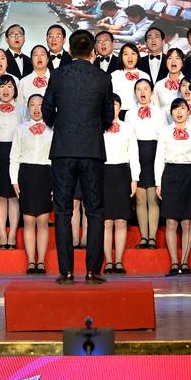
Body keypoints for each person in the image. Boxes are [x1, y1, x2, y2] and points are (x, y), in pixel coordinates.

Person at [42, 30, 115, 284]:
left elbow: (47, 110)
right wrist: (93, 130)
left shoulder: (58, 75)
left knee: (62, 211)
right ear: (93, 51)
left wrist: (62, 126)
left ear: (70, 51)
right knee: (94, 210)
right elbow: (108, 115)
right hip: (92, 150)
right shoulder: (103, 77)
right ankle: (93, 271)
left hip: (63, 149)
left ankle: (67, 271)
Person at [155, 98, 191, 274]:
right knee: (171, 221)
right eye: (175, 109)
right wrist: (158, 182)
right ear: (171, 112)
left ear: (188, 111)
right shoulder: (165, 131)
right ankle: (174, 262)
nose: (179, 112)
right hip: (170, 174)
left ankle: (184, 262)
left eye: (182, 108)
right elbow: (159, 157)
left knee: (187, 222)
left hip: (188, 174)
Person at [10, 94, 53, 274]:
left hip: (46, 174)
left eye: (40, 105)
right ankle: (30, 261)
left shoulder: (52, 129)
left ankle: (41, 261)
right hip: (26, 174)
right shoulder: (20, 129)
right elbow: (14, 156)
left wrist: (55, 183)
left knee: (42, 220)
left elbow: (56, 159)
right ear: (27, 108)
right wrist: (14, 180)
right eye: (32, 105)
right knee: (28, 220)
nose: (36, 108)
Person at [0, 75, 26, 250]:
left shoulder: (23, 109)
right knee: (1, 195)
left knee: (15, 195)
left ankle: (13, 233)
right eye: (2, 86)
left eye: (9, 86)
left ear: (15, 90)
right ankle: (2, 233)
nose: (6, 90)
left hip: (17, 153)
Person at [101, 94, 140, 274]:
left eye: (115, 104)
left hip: (122, 173)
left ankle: (118, 261)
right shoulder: (98, 126)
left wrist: (134, 178)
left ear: (120, 106)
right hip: (104, 173)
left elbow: (134, 154)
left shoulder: (128, 128)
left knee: (121, 221)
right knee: (106, 221)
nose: (112, 107)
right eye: (109, 104)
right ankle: (108, 261)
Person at [125, 77, 162, 250]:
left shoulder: (160, 113)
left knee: (153, 197)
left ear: (151, 92)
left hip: (154, 153)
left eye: (145, 88)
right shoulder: (130, 114)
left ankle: (152, 237)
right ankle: (143, 237)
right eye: (138, 89)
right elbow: (128, 139)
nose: (142, 92)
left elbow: (162, 139)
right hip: (136, 153)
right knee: (140, 198)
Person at [113, 44, 147, 110]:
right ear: (121, 57)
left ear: (138, 56)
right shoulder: (114, 76)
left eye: (133, 54)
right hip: (120, 113)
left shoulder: (145, 76)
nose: (130, 57)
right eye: (126, 54)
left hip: (139, 113)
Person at [154, 48, 186, 112]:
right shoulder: (159, 85)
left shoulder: (188, 84)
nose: (173, 61)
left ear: (182, 63)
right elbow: (155, 108)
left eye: (177, 58)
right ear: (166, 63)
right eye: (170, 58)